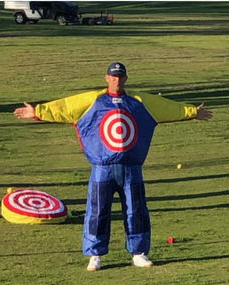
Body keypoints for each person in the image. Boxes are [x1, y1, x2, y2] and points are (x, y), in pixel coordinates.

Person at [14, 62, 213, 271]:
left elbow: (165, 107)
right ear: (107, 78)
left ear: (125, 79)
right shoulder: (92, 99)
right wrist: (38, 111)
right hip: (102, 167)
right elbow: (65, 107)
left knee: (136, 210)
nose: (117, 80)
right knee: (97, 211)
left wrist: (191, 112)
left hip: (131, 168)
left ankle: (138, 253)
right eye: (113, 76)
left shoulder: (140, 100)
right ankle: (95, 254)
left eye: (120, 76)